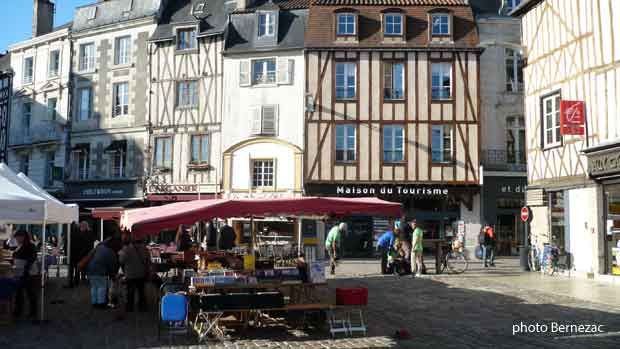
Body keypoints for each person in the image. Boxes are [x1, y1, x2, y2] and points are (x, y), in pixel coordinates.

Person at [118, 239, 150, 312]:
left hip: (130, 274)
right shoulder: (145, 249)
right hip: (141, 273)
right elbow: (148, 260)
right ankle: (142, 307)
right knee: (141, 291)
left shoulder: (126, 249)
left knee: (130, 292)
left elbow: (121, 260)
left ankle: (130, 307)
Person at [12, 230, 38, 318]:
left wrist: (25, 270)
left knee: (30, 293)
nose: (16, 239)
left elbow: (32, 258)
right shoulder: (21, 245)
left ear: (23, 237)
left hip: (29, 273)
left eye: (17, 237)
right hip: (20, 272)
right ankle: (18, 310)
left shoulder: (30, 245)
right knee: (19, 293)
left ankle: (33, 312)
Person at [86, 238, 118, 309]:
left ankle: (94, 303)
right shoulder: (110, 251)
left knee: (94, 287)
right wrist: (113, 276)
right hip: (100, 271)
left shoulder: (98, 248)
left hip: (90, 270)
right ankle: (101, 304)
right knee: (101, 287)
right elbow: (111, 266)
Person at [66, 221, 95, 288]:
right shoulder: (83, 233)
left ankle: (73, 281)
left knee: (73, 268)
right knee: (78, 268)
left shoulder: (74, 233)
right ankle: (78, 280)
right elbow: (86, 244)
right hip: (79, 254)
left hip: (74, 253)